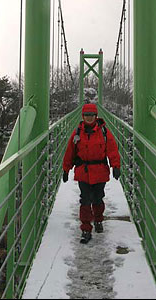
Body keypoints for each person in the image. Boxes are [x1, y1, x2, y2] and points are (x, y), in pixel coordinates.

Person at [62, 103, 121, 244]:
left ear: (96, 116)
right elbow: (70, 152)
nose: (89, 118)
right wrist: (66, 169)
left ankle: (98, 219)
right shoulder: (77, 133)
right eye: (86, 115)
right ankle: (86, 229)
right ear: (83, 116)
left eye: (92, 115)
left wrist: (116, 166)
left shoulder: (104, 132)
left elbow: (112, 150)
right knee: (85, 200)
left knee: (98, 198)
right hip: (83, 171)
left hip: (100, 171)